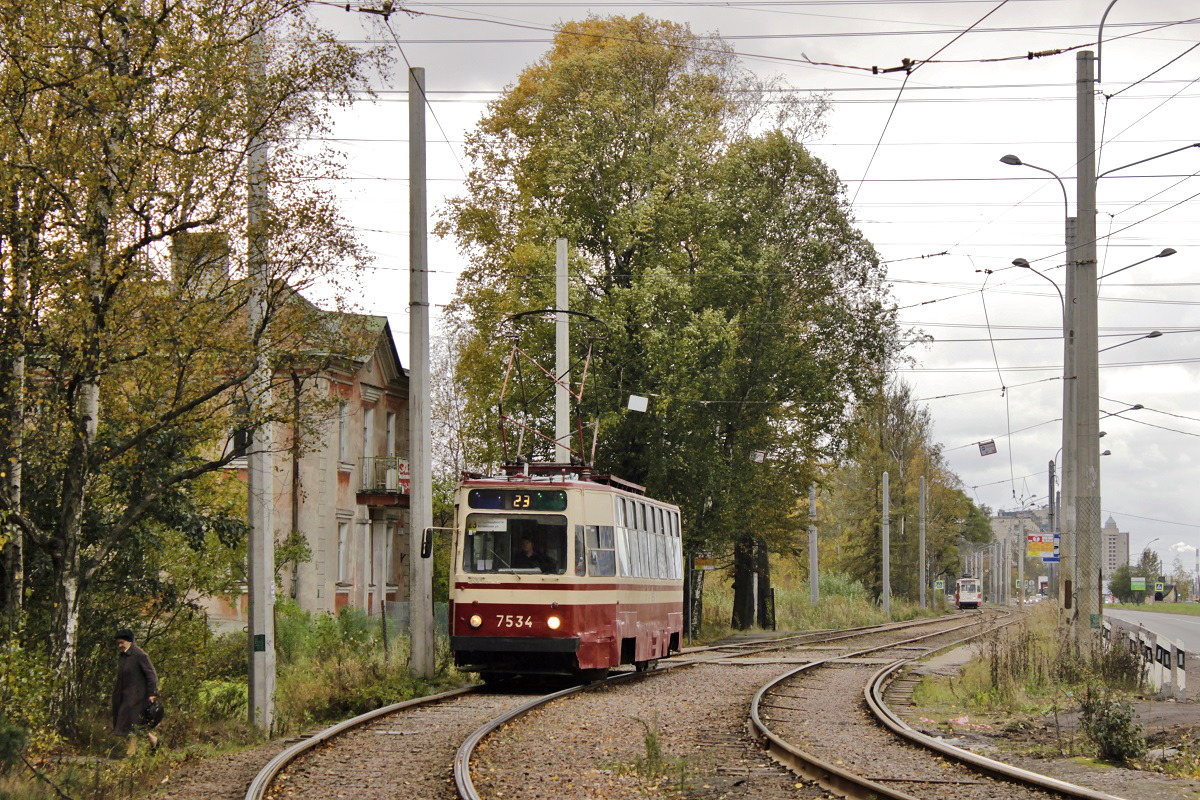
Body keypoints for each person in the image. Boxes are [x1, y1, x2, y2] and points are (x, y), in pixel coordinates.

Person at [112, 629, 159, 754]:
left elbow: (151, 675)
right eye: (118, 643)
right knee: (133, 724)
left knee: (133, 723)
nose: (120, 645)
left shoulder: (140, 655)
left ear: (129, 641)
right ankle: (154, 740)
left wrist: (152, 693)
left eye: (122, 642)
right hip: (125, 695)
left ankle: (130, 754)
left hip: (139, 696)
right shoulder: (123, 656)